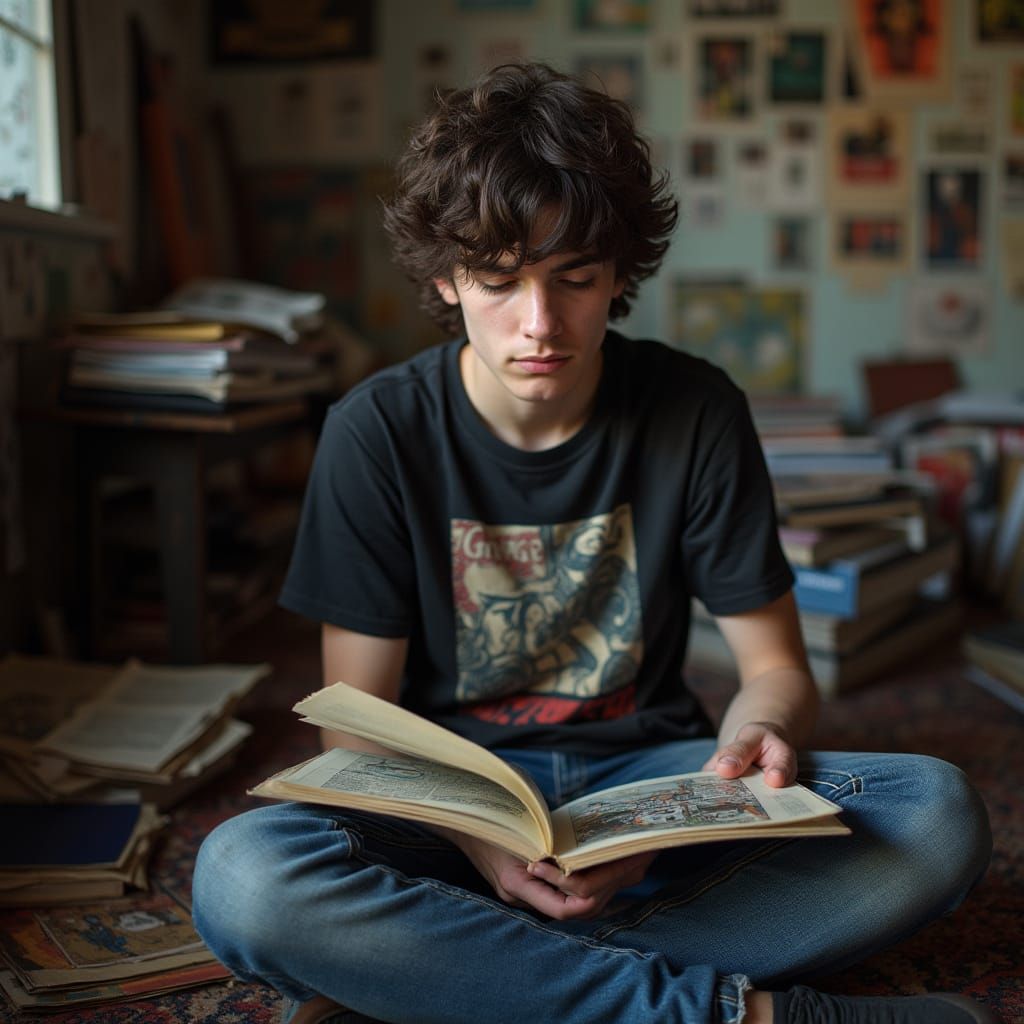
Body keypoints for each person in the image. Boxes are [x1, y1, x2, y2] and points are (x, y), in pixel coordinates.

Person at [193, 63, 994, 1024]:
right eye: (499, 282)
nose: (540, 324)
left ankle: (437, 977)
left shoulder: (695, 411)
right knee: (243, 875)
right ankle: (735, 1013)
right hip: (451, 811)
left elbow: (775, 666)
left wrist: (757, 737)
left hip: (652, 792)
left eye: (574, 279)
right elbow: (353, 722)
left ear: (618, 272)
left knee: (936, 816)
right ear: (447, 280)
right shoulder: (377, 430)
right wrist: (478, 845)